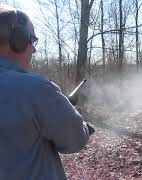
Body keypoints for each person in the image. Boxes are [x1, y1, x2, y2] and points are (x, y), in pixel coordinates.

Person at [0, 4, 91, 180]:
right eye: (32, 40)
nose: (34, 49)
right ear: (18, 40)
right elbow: (75, 139)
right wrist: (81, 122)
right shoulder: (36, 89)